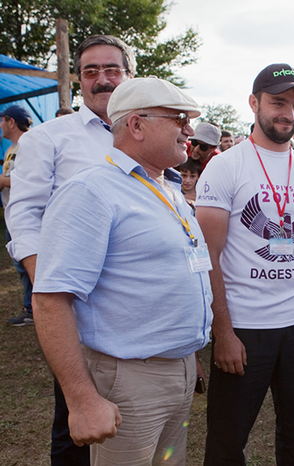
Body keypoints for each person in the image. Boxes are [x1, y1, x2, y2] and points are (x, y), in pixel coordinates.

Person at [32, 77, 213, 464]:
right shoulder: (92, 191)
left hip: (177, 372)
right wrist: (81, 399)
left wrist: (186, 351)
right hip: (130, 380)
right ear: (136, 125)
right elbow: (50, 300)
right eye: (179, 118)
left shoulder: (168, 188)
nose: (190, 130)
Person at [196, 63, 294, 466]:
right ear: (253, 103)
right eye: (278, 102)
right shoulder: (225, 166)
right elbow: (207, 256)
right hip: (245, 327)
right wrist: (222, 330)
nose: (289, 113)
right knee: (227, 440)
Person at [5, 34, 135, 466]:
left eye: (111, 69)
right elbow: (24, 215)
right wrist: (49, 286)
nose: (102, 79)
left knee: (134, 418)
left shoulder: (145, 133)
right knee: (77, 417)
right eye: (91, 71)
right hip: (79, 302)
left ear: (129, 75)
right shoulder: (49, 138)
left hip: (136, 304)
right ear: (79, 80)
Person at [0, 105, 34, 326]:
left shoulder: (29, 146)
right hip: (11, 212)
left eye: (2, 120)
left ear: (11, 121)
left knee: (28, 263)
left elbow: (30, 179)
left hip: (25, 213)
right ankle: (31, 307)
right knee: (20, 264)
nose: (0, 125)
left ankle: (33, 309)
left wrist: (2, 181)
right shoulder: (10, 149)